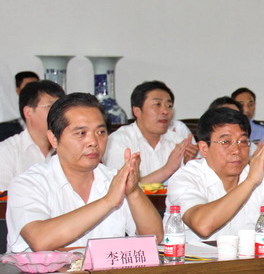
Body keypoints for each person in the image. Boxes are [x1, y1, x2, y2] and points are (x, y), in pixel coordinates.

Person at [6, 93, 163, 252]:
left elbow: (154, 238)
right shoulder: (27, 184)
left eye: (100, 132)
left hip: (105, 269)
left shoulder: (114, 180)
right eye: (81, 133)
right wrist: (108, 201)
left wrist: (133, 192)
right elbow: (40, 240)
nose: (93, 142)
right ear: (53, 139)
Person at [166, 108, 264, 245]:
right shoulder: (185, 178)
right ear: (204, 148)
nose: (236, 150)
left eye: (242, 141)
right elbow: (203, 226)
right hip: (196, 259)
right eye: (225, 142)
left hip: (248, 258)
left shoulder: (259, 179)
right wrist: (250, 182)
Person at [104, 81, 197, 184]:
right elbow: (118, 187)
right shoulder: (118, 141)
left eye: (169, 105)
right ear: (137, 111)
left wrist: (189, 164)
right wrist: (168, 169)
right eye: (157, 104)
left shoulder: (178, 142)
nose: (165, 111)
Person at [0, 81, 65, 191]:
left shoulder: (69, 147)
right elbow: (3, 197)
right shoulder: (6, 151)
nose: (59, 113)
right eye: (51, 106)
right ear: (28, 112)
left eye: (62, 107)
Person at [0, 71, 40, 142]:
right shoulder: (5, 129)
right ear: (18, 90)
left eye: (37, 87)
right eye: (28, 87)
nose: (33, 91)